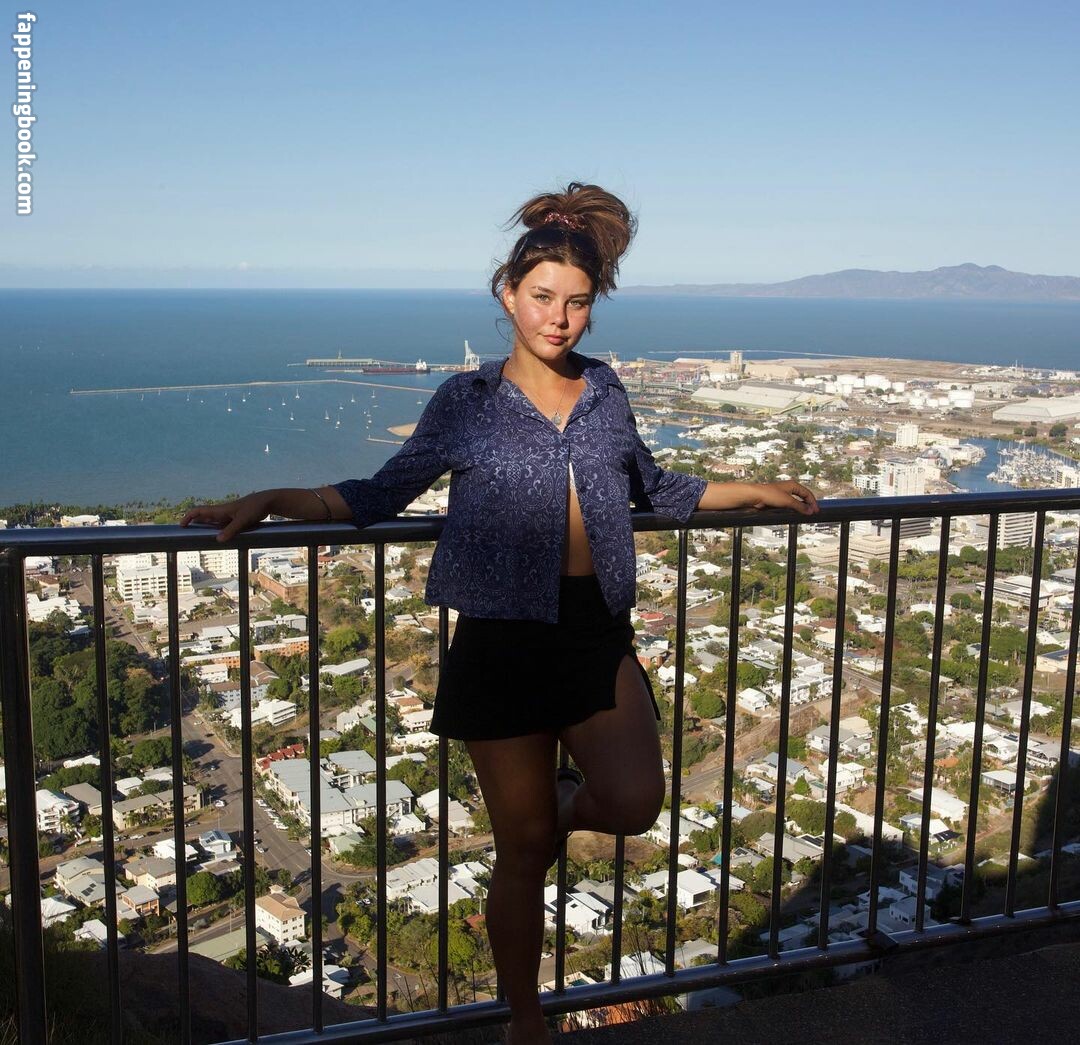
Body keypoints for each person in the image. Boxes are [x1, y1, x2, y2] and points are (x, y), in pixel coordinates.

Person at [181, 182, 818, 1043]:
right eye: (543, 296)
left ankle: (557, 803)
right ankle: (525, 1018)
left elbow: (657, 486)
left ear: (593, 307)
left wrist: (755, 492)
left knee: (634, 799)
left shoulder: (606, 391)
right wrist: (270, 499)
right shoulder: (467, 401)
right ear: (509, 294)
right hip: (502, 643)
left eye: (577, 302)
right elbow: (375, 494)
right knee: (522, 851)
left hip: (593, 631)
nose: (559, 317)